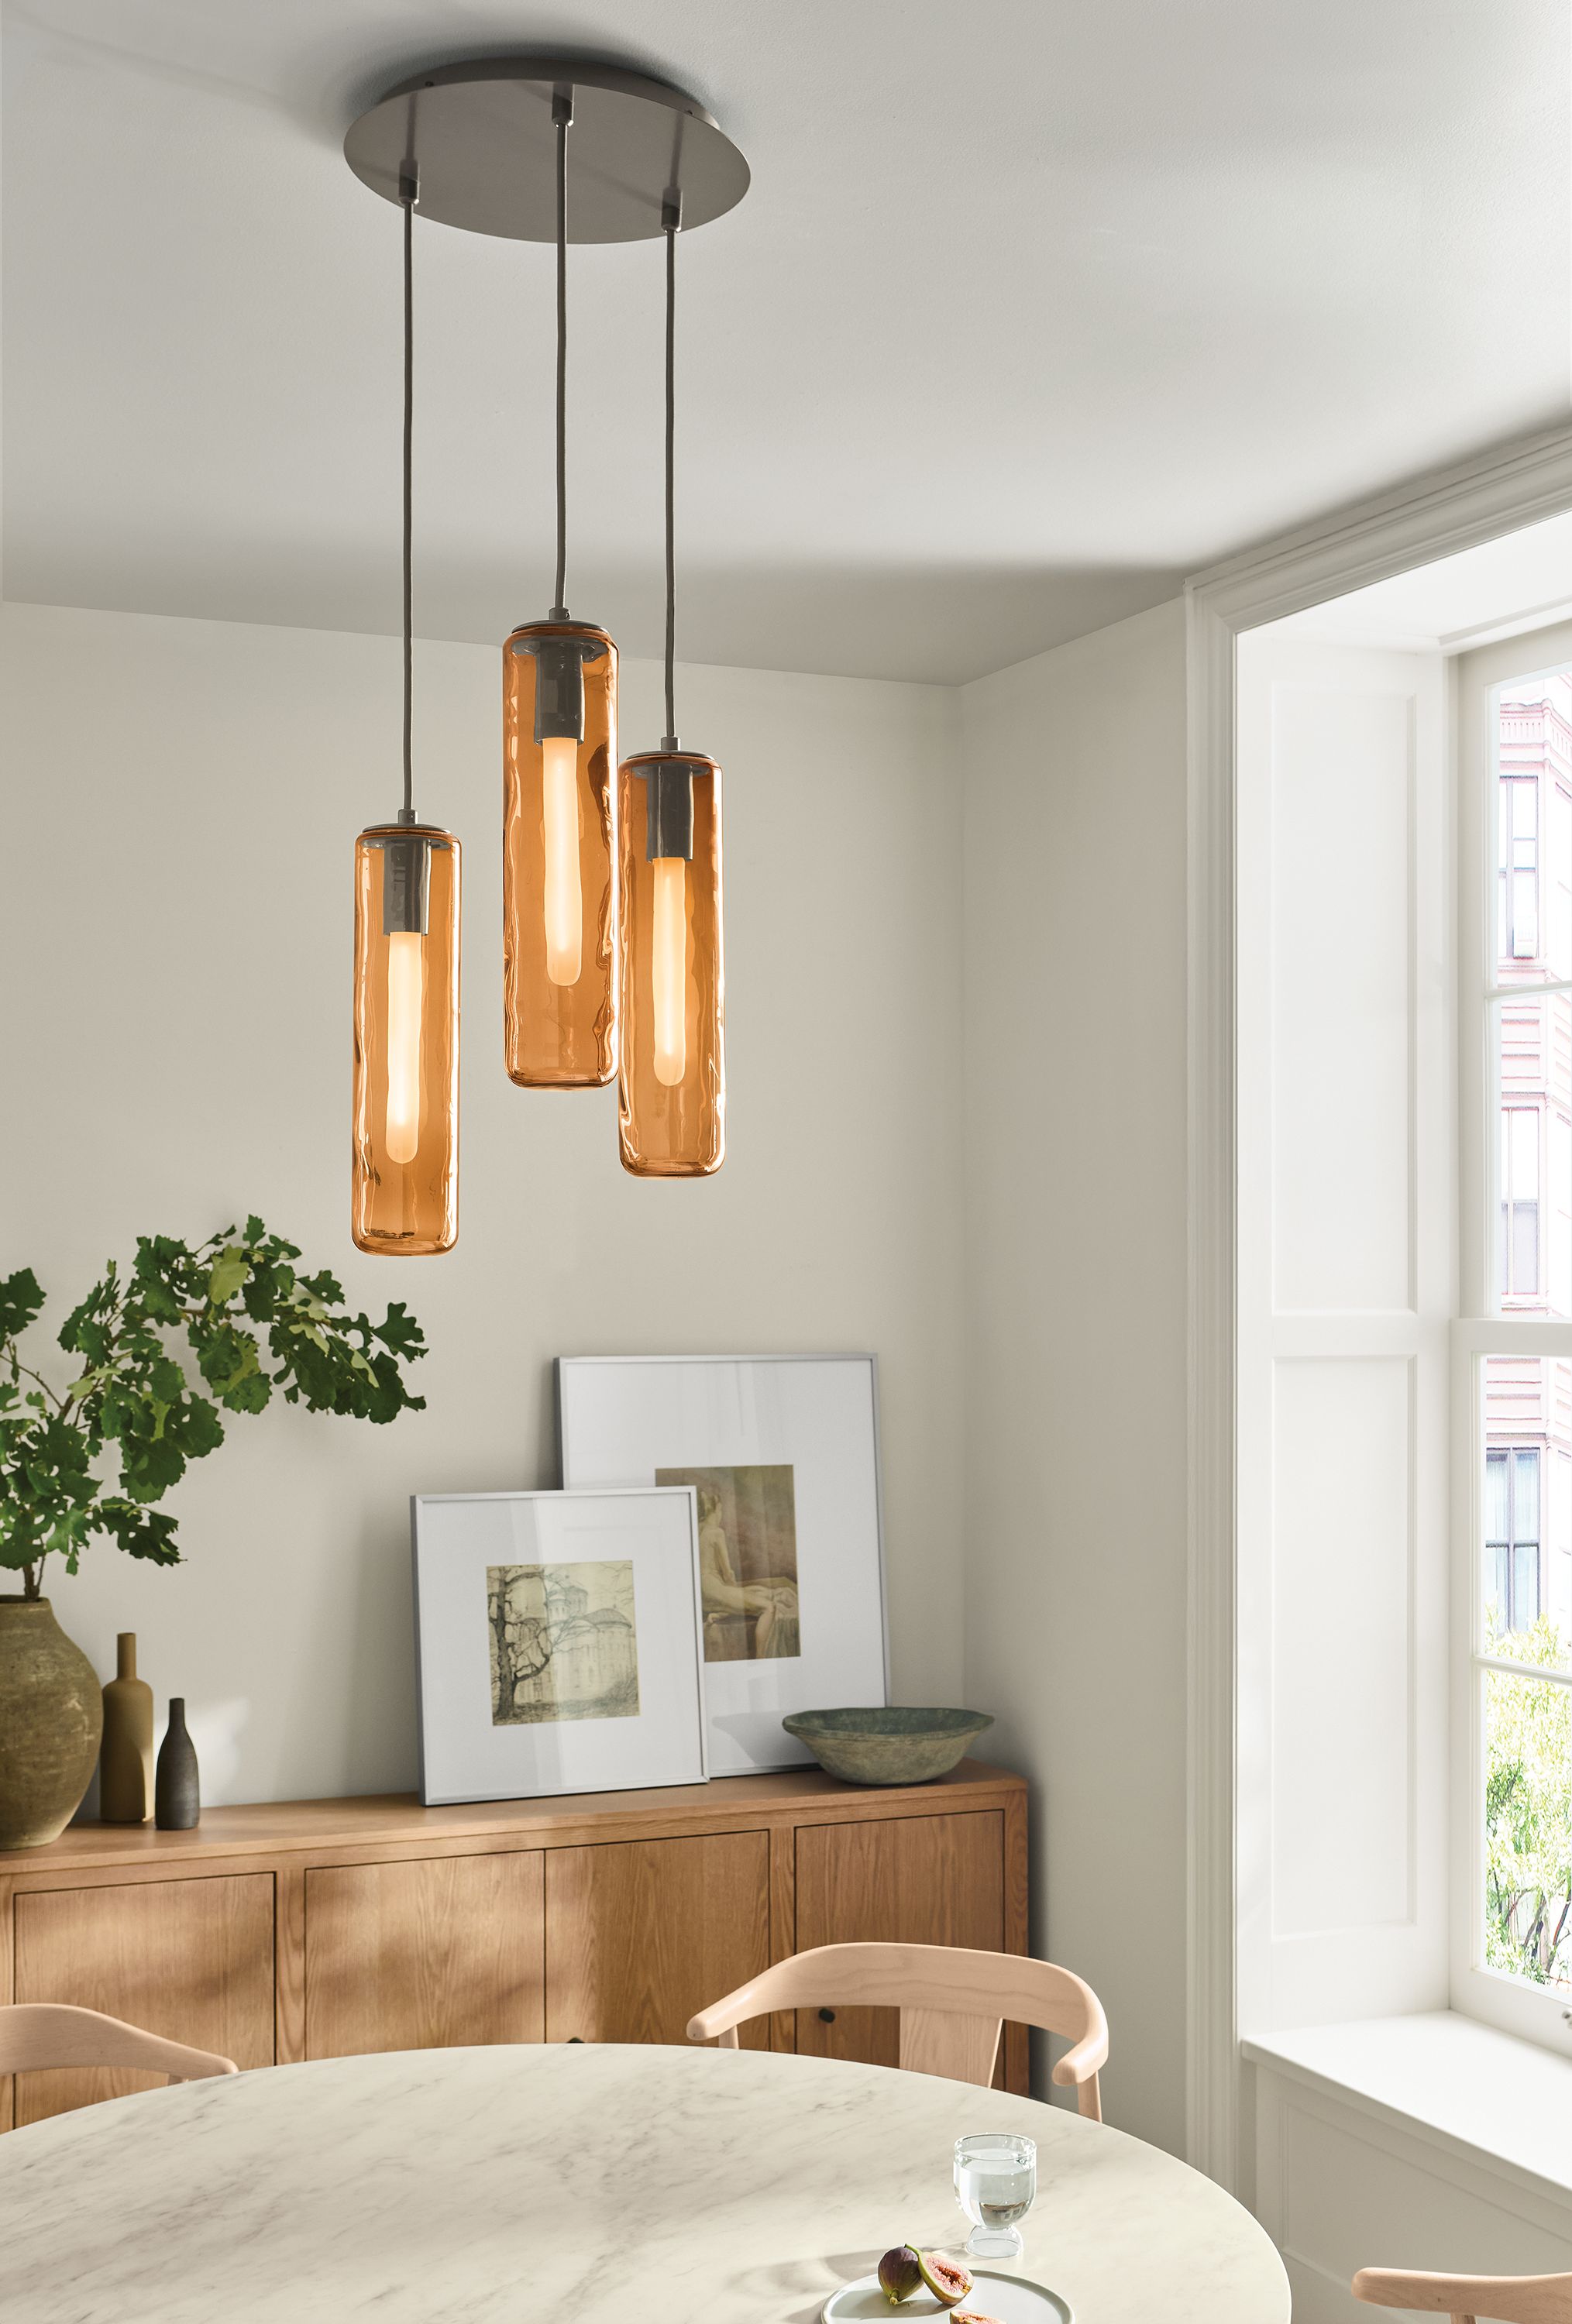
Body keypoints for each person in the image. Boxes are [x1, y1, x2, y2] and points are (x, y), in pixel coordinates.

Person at [696, 1487, 800, 1658]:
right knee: (769, 1607)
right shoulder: (716, 1532)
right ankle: (760, 1658)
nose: (722, 1515)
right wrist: (737, 1591)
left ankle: (718, 1615)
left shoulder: (698, 1532)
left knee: (759, 1592)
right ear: (716, 1510)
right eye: (721, 1510)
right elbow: (728, 1573)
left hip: (705, 1594)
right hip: (713, 1589)